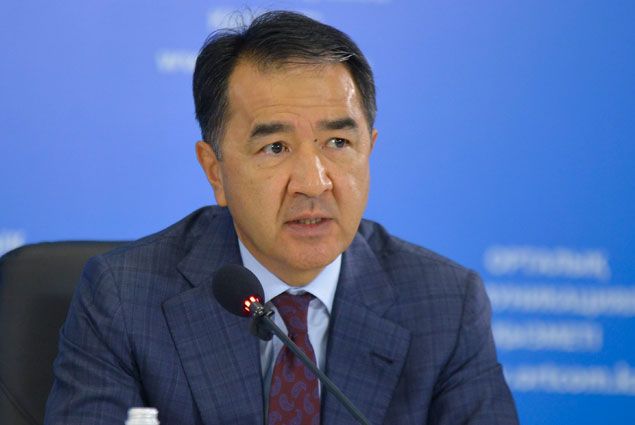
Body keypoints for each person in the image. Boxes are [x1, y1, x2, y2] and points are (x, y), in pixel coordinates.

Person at [44, 10, 519, 425]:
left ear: (369, 150)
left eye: (338, 143)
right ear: (215, 171)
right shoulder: (125, 298)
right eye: (275, 147)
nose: (313, 183)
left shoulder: (445, 304)